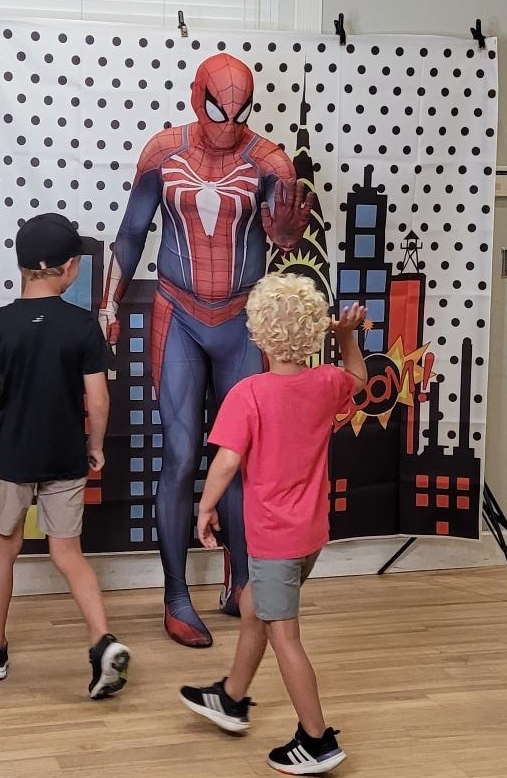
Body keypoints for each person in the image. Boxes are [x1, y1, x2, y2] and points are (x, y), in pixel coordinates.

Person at [100, 53, 314, 647]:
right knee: (182, 454)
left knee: (245, 457)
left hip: (243, 318)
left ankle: (240, 581)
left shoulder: (269, 159)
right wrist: (108, 306)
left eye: (239, 109)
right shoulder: (163, 152)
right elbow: (131, 232)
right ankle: (175, 595)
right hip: (179, 313)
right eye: (218, 106)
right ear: (197, 96)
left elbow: (282, 235)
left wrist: (286, 235)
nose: (227, 121)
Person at [179, 273, 367, 774]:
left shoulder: (249, 393)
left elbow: (225, 462)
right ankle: (232, 697)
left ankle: (316, 738)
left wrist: (205, 506)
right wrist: (347, 339)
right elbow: (359, 379)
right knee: (252, 604)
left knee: (284, 634)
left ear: (257, 334)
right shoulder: (327, 383)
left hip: (273, 540)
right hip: (310, 537)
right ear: (314, 334)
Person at [0, 212, 130, 700]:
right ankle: (101, 640)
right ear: (70, 269)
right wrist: (96, 445)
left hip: (14, 455)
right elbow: (99, 400)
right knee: (67, 552)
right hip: (64, 455)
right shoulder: (82, 327)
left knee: (4, 547)